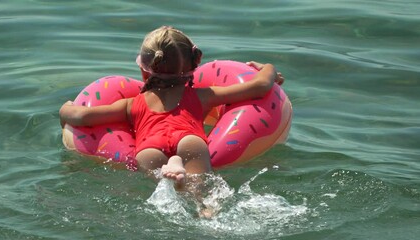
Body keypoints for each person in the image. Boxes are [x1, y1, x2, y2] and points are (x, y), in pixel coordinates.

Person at [59, 26, 284, 216]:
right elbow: (260, 86)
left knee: (167, 200)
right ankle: (202, 206)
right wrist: (268, 69)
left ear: (144, 72)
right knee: (204, 199)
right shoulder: (202, 96)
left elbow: (81, 117)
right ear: (193, 66)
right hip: (190, 140)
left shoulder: (130, 105)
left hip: (149, 150)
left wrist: (65, 108)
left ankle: (173, 172)